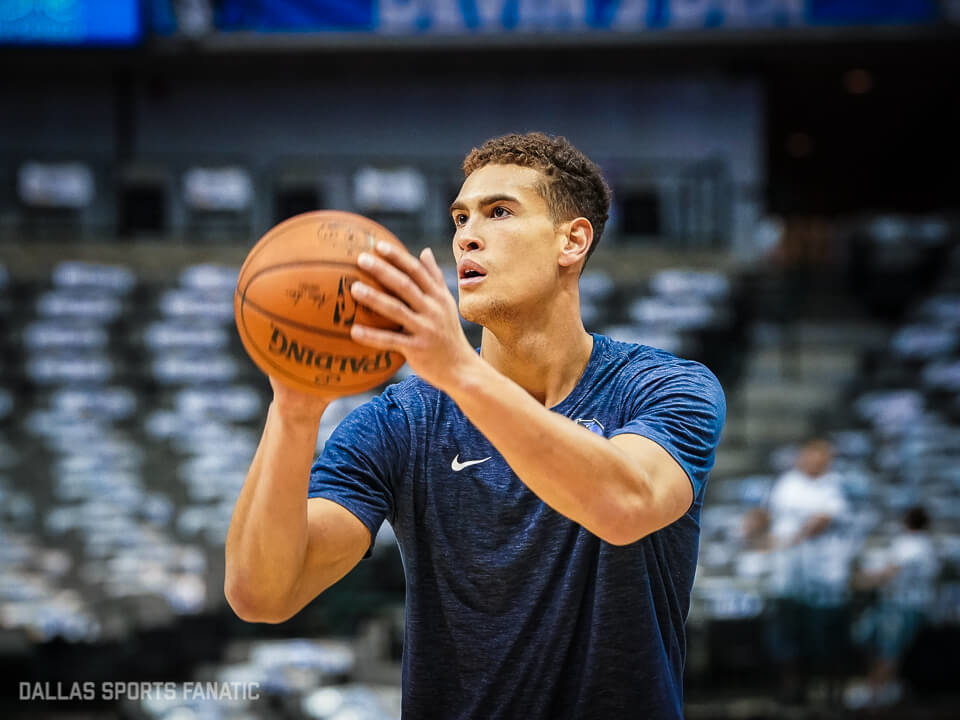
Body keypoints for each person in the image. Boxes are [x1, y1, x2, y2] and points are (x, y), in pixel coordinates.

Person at [224, 132, 726, 719]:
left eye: (500, 212)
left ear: (573, 239)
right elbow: (262, 593)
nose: (467, 234)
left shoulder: (666, 388)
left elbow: (625, 504)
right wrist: (293, 407)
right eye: (460, 217)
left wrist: (459, 371)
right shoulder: (403, 423)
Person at [764, 438, 854, 703]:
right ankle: (792, 690)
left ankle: (829, 693)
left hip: (825, 580)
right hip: (788, 576)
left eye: (822, 457)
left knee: (826, 640)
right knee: (788, 638)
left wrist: (790, 539)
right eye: (811, 456)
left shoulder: (835, 484)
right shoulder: (787, 483)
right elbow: (771, 518)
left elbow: (822, 520)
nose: (816, 462)